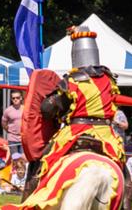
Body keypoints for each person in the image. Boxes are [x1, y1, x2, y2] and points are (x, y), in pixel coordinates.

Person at [21, 26, 126, 203]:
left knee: (39, 165)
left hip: (75, 133)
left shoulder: (72, 81)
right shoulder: (109, 79)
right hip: (107, 136)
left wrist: (49, 95)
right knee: (125, 174)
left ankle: (28, 201)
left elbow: (47, 109)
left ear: (75, 54)